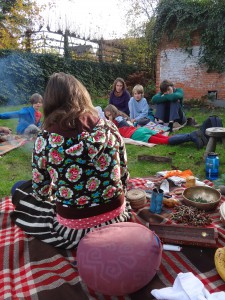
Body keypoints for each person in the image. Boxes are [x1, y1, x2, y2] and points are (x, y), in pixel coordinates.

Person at [10, 72, 132, 249]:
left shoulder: (45, 139)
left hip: (74, 228)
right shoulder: (109, 127)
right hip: (116, 215)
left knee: (18, 188)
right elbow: (124, 175)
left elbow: (41, 192)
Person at [104, 104, 207, 149]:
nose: (108, 117)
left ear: (112, 113)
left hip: (137, 135)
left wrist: (109, 121)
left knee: (166, 141)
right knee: (167, 138)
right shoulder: (121, 116)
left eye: (109, 115)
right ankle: (192, 135)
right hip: (141, 130)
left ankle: (191, 136)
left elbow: (110, 131)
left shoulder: (113, 122)